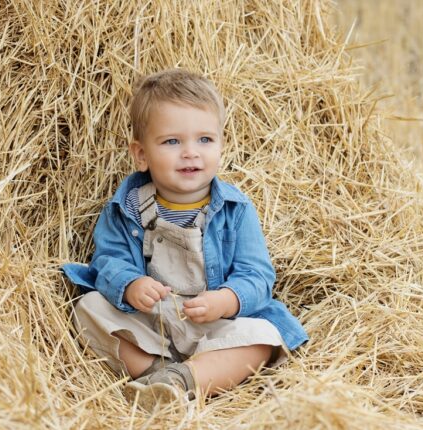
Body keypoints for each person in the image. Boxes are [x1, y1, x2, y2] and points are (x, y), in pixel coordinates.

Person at [62, 68, 308, 411]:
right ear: (141, 154)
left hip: (217, 327)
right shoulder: (126, 208)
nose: (190, 152)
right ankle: (158, 375)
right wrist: (131, 284)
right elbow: (107, 260)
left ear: (222, 145)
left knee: (263, 338)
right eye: (172, 142)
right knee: (89, 310)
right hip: (153, 324)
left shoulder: (235, 210)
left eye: (204, 139)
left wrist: (226, 300)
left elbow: (257, 275)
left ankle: (185, 379)